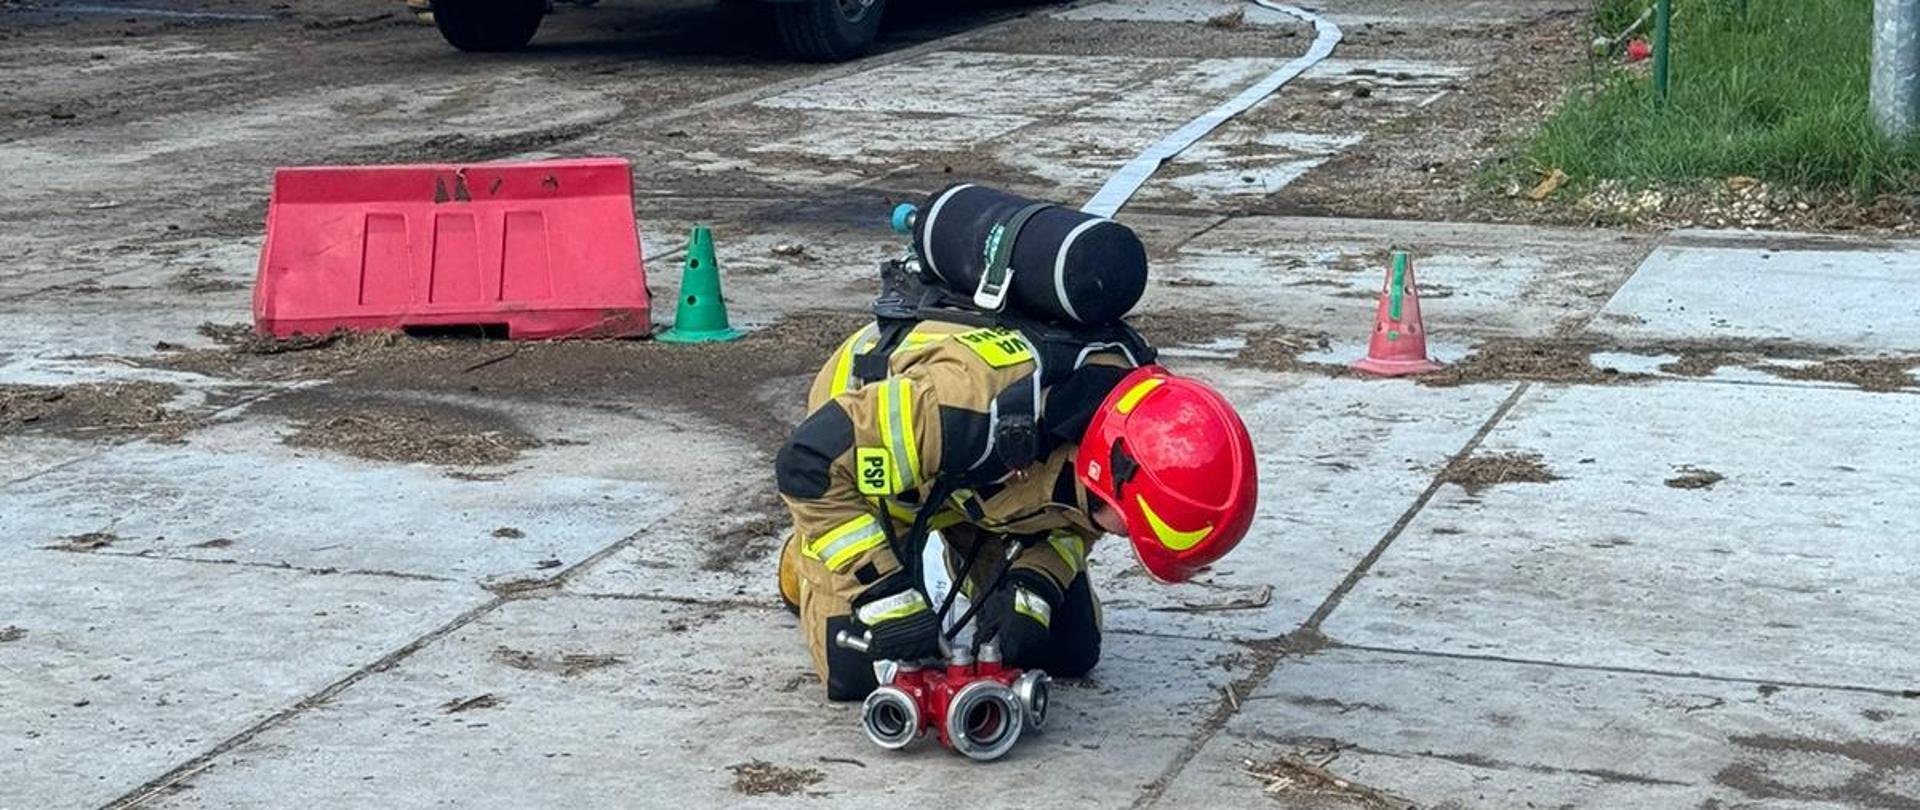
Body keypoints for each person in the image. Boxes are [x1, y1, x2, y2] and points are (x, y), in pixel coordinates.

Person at [774, 318, 1257, 701]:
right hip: (862, 471)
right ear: (1109, 478)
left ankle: (963, 548)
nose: (1125, 537)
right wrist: (882, 592)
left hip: (981, 489)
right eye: (1131, 528)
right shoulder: (963, 405)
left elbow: (1073, 522)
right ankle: (802, 558)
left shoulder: (1129, 420)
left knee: (1065, 652)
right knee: (868, 677)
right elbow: (807, 463)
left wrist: (1034, 586)